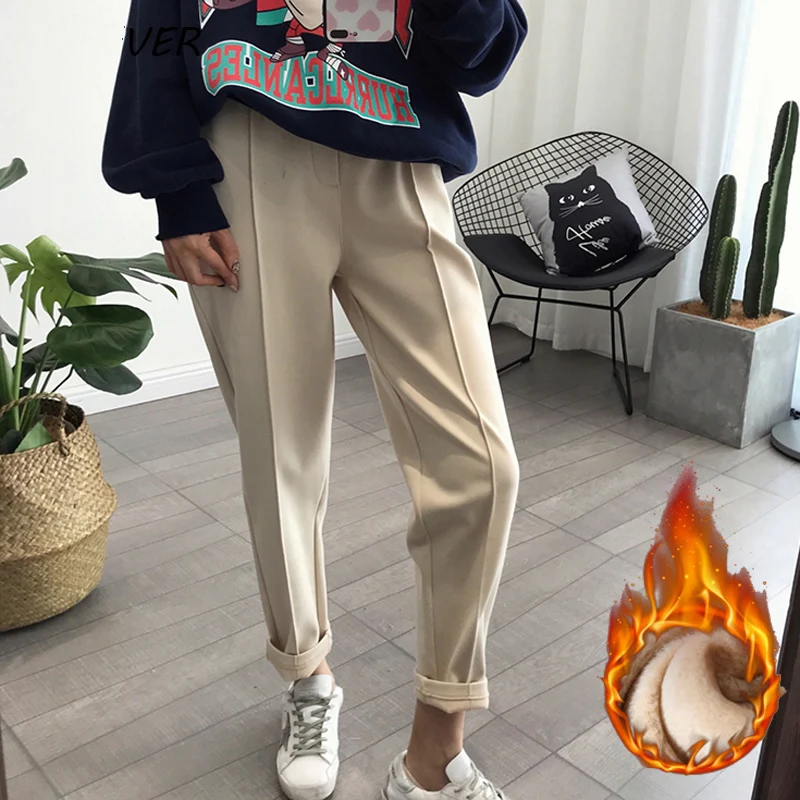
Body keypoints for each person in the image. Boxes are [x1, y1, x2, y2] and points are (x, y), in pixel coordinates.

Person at [103, 0, 527, 797]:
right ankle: (308, 678)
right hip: (248, 156)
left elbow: (487, 51)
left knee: (481, 465)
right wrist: (177, 192)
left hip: (400, 153)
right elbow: (158, 23)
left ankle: (434, 750)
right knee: (280, 457)